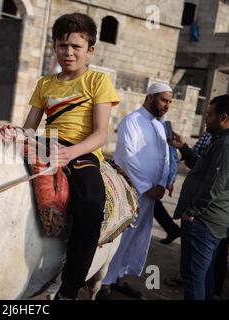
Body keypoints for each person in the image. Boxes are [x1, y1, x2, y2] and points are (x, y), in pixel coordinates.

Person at [23, 12, 119, 300]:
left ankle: (69, 287)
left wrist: (70, 153)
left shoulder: (98, 82)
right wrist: (17, 139)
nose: (69, 52)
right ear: (54, 46)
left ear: (90, 50)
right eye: (62, 45)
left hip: (81, 152)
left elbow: (101, 133)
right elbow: (29, 127)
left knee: (91, 205)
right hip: (45, 144)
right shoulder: (45, 84)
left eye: (76, 46)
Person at [99, 83, 173, 299]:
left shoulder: (160, 126)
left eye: (169, 102)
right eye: (163, 100)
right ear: (150, 98)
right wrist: (148, 186)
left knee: (135, 240)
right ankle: (103, 283)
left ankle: (118, 278)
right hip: (132, 192)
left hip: (151, 195)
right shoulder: (131, 121)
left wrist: (162, 182)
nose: (167, 105)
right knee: (118, 238)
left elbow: (165, 157)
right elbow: (128, 158)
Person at [172, 95, 229, 300]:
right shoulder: (220, 142)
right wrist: (184, 149)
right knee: (204, 276)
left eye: (209, 115)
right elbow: (203, 170)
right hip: (208, 220)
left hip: (204, 222)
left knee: (194, 278)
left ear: (223, 118)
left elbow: (215, 185)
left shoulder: (225, 145)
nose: (205, 118)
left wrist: (191, 212)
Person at [153, 123, 181, 245]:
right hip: (149, 175)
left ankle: (173, 229)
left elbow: (172, 155)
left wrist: (170, 179)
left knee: (153, 204)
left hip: (155, 178)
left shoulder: (164, 126)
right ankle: (172, 229)